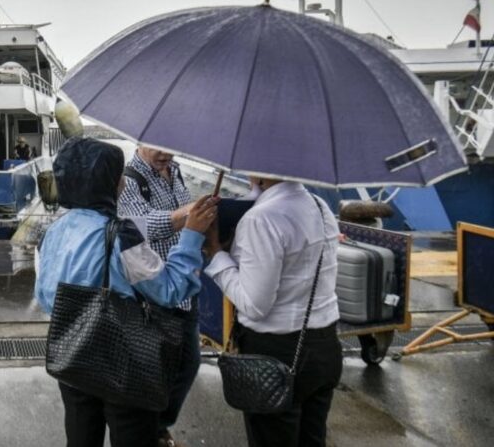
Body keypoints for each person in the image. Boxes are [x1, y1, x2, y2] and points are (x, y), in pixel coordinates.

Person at [35, 137, 218, 447]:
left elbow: (46, 296)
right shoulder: (122, 237)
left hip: (73, 358)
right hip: (125, 363)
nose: (122, 180)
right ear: (104, 181)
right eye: (116, 173)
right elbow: (170, 290)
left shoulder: (54, 230)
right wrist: (191, 236)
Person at [203, 178, 342, 447]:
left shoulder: (261, 219)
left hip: (276, 351)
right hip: (324, 345)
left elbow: (255, 305)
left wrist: (217, 254)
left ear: (260, 174)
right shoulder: (320, 206)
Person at [117, 147, 198, 447]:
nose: (166, 154)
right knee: (155, 371)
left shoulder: (175, 173)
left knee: (189, 364)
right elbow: (140, 227)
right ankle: (150, 428)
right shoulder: (130, 180)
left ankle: (159, 423)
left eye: (171, 148)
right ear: (140, 141)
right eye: (159, 147)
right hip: (154, 293)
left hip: (184, 289)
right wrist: (190, 216)